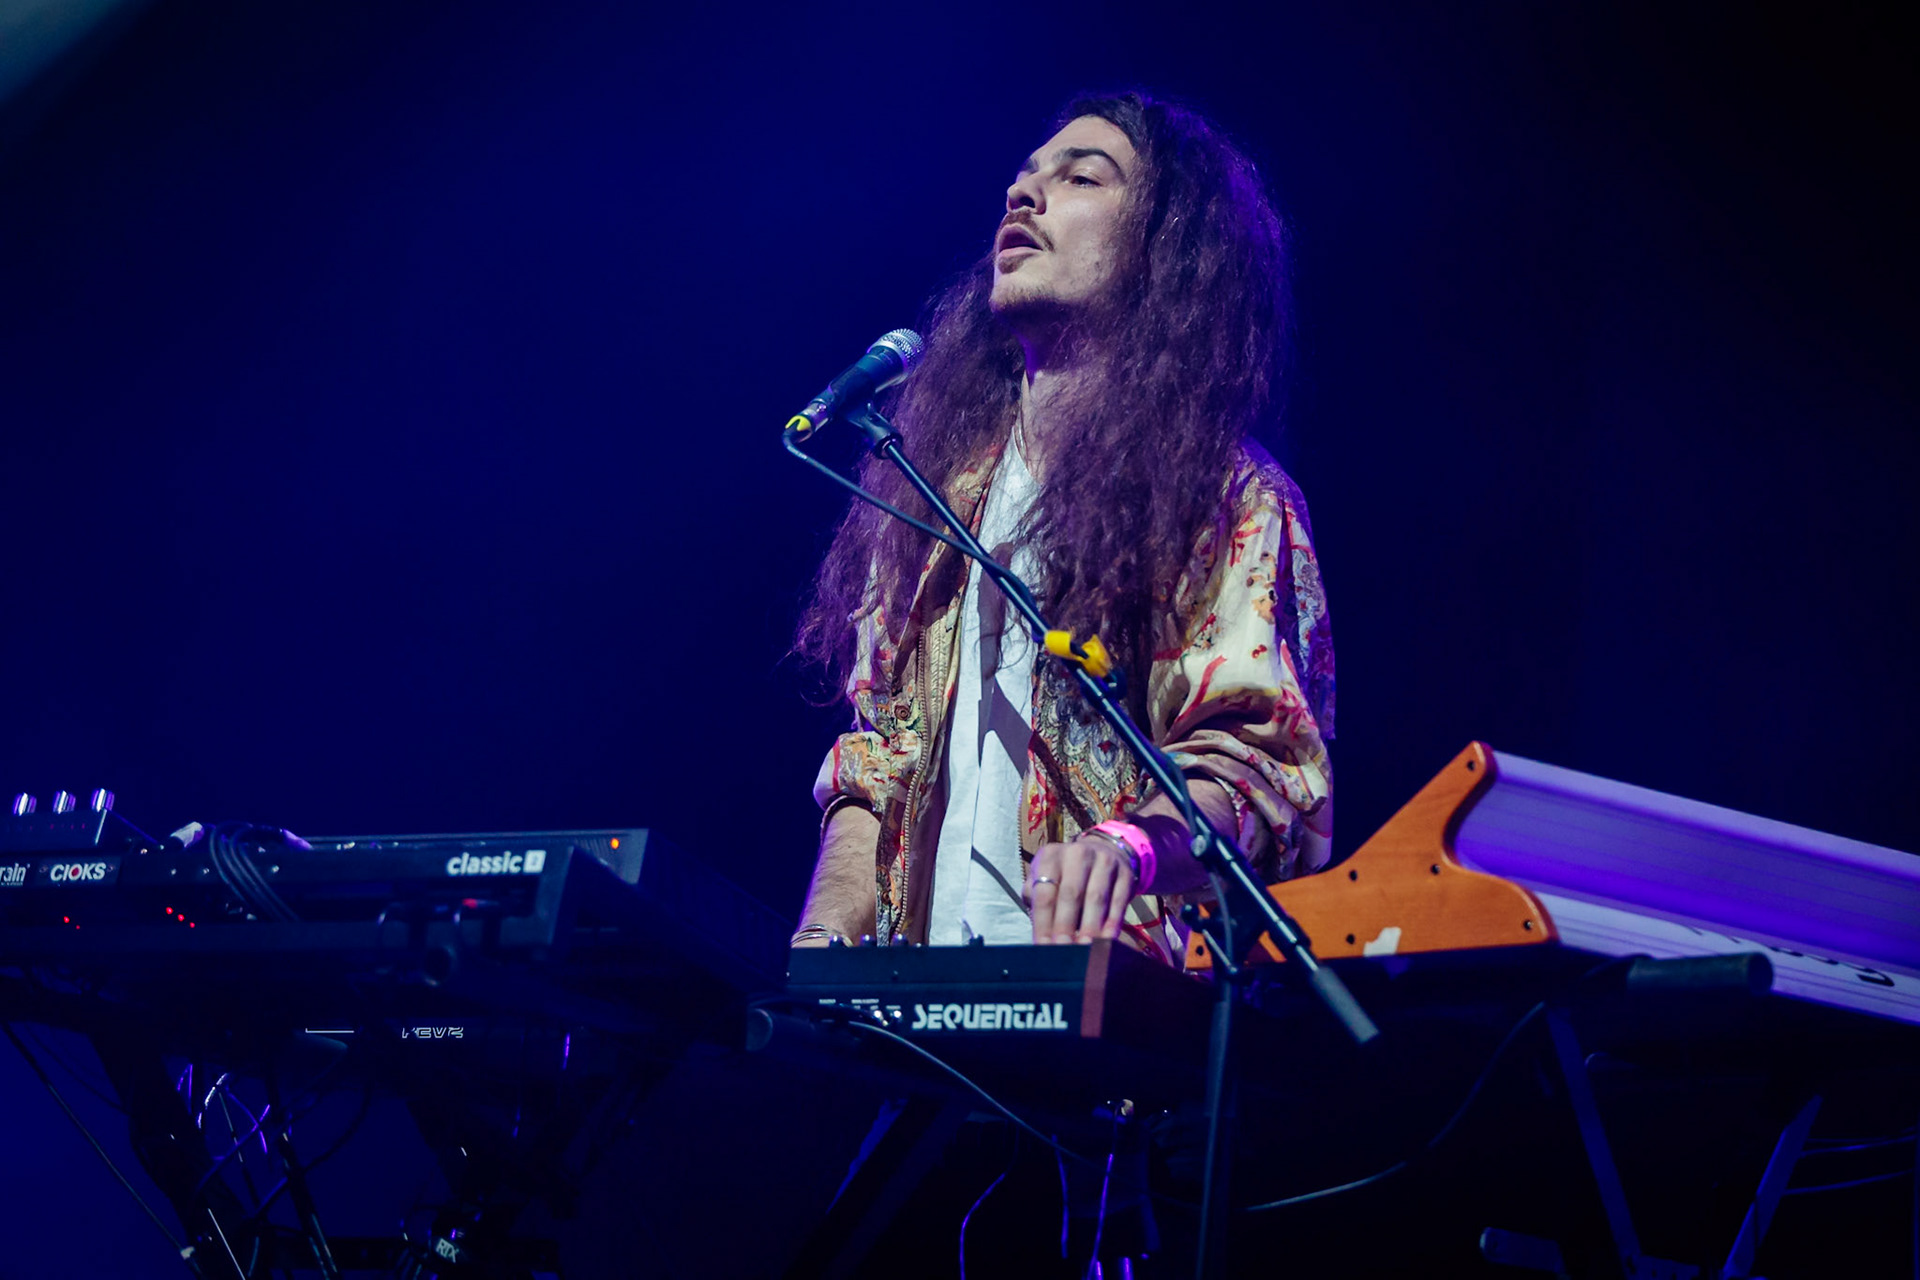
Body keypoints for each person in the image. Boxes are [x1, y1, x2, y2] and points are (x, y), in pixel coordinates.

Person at [792, 91, 1335, 963]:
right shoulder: (929, 497)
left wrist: (1130, 847)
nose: (1023, 195)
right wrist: (823, 936)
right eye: (1022, 178)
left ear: (1165, 246)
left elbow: (1258, 767)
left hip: (1122, 1007)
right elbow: (871, 766)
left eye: (1082, 177)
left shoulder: (1224, 495)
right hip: (918, 1013)